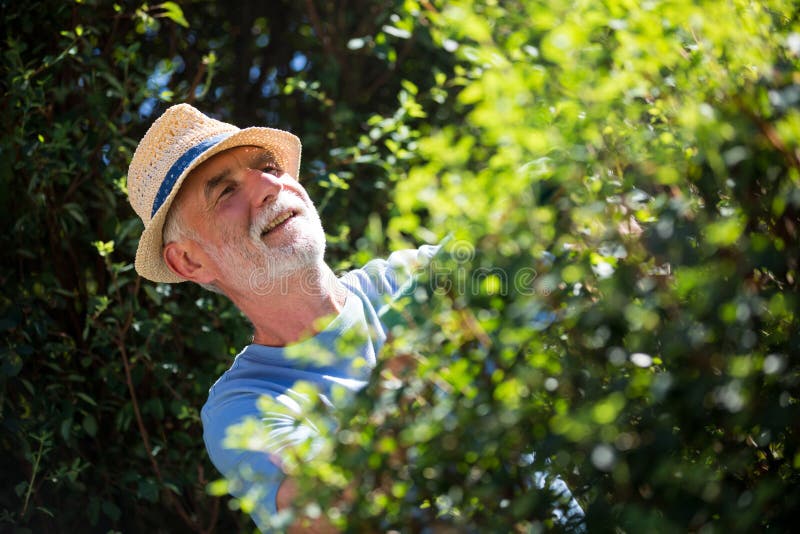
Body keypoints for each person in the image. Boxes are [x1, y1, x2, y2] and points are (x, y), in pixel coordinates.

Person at [127, 104, 584, 532]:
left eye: (270, 168)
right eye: (226, 191)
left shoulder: (412, 280)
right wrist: (398, 393)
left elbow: (532, 247)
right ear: (189, 261)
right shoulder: (245, 406)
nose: (270, 186)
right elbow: (318, 520)